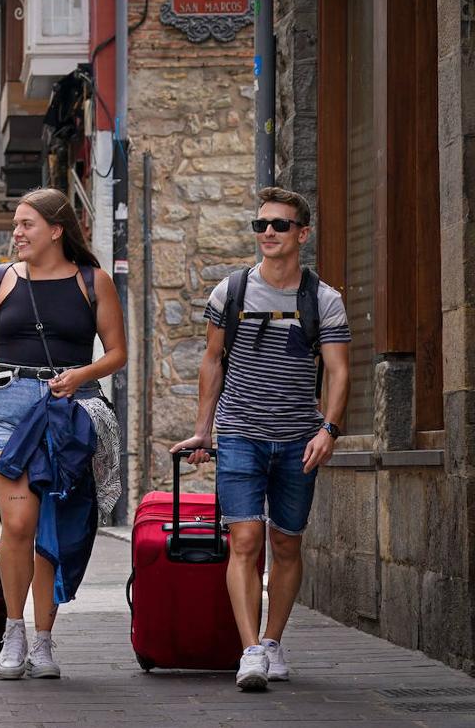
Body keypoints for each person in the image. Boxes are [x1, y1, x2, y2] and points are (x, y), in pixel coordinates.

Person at [170, 187, 350, 691]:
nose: (268, 232)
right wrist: (203, 429)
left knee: (287, 544)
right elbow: (212, 361)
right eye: (261, 225)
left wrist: (329, 430)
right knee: (245, 540)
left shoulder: (324, 300)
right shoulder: (230, 293)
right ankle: (250, 650)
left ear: (302, 234)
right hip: (240, 433)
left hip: (298, 439)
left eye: (279, 225)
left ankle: (272, 640)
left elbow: (339, 371)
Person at [0, 188, 126, 680]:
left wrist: (80, 374)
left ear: (56, 230)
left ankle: (44, 639)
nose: (18, 233)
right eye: (16, 224)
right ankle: (14, 629)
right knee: (19, 521)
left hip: (66, 411)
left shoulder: (93, 281)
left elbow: (117, 353)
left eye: (27, 224)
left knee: (50, 523)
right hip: (7, 411)